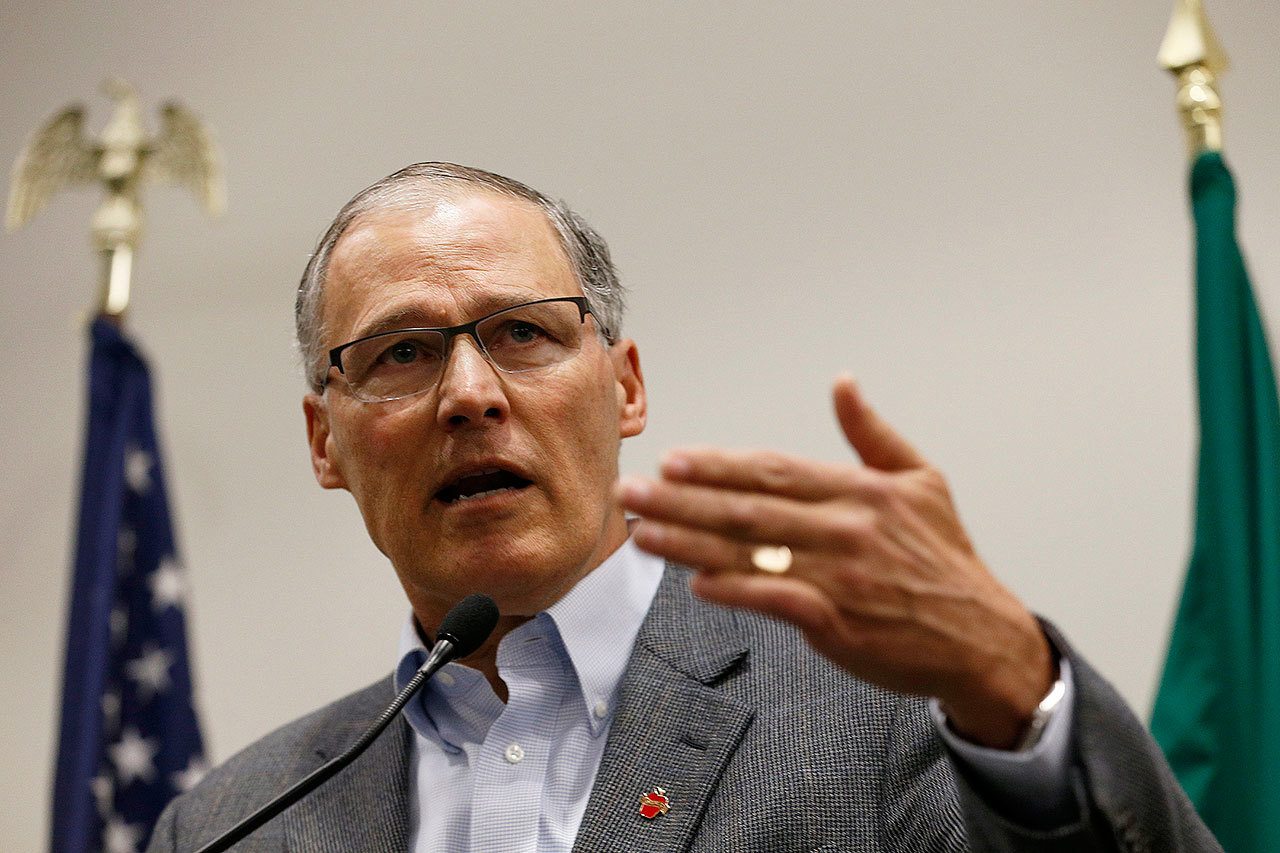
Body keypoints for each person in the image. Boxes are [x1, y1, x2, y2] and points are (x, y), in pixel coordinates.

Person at [148, 163, 1218, 852]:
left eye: (521, 331)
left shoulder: (884, 710)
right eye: (400, 353)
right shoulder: (232, 823)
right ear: (322, 441)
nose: (468, 393)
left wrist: (1018, 691)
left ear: (623, 387)